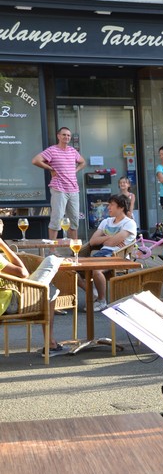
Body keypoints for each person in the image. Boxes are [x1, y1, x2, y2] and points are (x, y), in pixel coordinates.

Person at [0, 221, 63, 355]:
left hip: (10, 295)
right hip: (9, 302)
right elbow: (23, 273)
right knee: (52, 261)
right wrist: (4, 246)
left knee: (50, 289)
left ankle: (51, 343)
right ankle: (50, 342)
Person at [85, 194, 137, 311]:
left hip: (117, 256)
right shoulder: (106, 221)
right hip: (102, 253)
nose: (108, 208)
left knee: (96, 271)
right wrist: (108, 238)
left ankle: (101, 300)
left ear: (121, 207)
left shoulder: (129, 223)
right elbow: (93, 241)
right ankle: (92, 292)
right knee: (73, 269)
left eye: (111, 205)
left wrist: (106, 239)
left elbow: (111, 243)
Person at [32, 127, 86, 240]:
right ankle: (52, 250)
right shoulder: (52, 150)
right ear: (58, 136)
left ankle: (74, 249)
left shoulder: (72, 151)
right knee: (56, 219)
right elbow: (35, 160)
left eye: (68, 135)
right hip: (59, 188)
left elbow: (83, 162)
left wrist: (75, 170)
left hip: (73, 189)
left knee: (74, 220)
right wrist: (50, 168)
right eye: (64, 135)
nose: (66, 137)